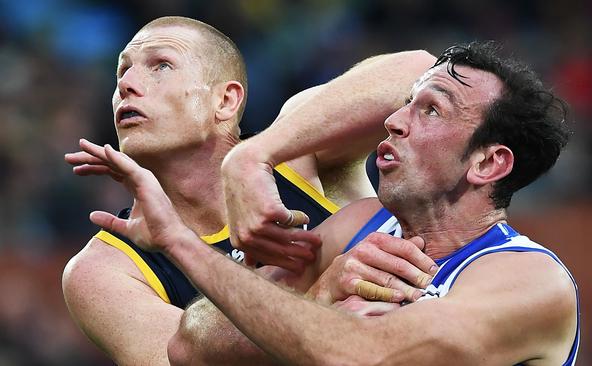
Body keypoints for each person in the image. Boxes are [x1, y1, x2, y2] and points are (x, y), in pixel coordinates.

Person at [79, 41, 579, 365]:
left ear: (488, 165)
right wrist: (317, 291)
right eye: (406, 103)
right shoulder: (359, 224)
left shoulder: (527, 281)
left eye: (429, 110)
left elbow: (366, 355)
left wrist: (180, 243)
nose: (393, 120)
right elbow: (193, 346)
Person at [61, 16, 436, 365]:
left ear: (225, 101)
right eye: (123, 70)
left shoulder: (297, 150)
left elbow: (424, 71)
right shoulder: (102, 268)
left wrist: (251, 158)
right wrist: (317, 293)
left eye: (161, 66)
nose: (126, 84)